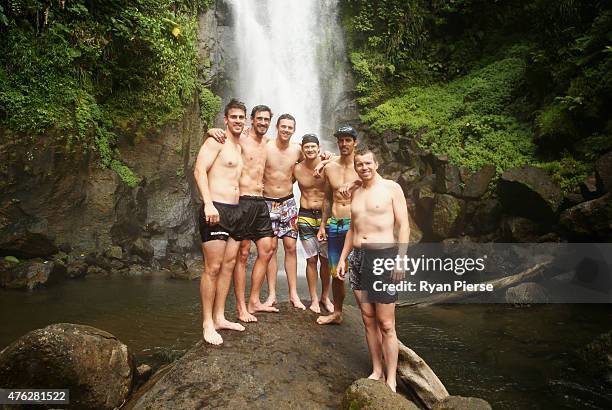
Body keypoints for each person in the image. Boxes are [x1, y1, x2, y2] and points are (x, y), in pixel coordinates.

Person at [336, 146, 410, 392]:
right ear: (355, 166)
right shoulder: (355, 190)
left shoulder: (391, 188)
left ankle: (391, 379)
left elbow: (405, 226)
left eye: (368, 164)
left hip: (384, 257)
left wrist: (400, 259)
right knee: (368, 319)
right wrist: (342, 259)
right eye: (360, 165)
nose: (364, 168)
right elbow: (352, 229)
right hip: (358, 258)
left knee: (386, 323)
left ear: (376, 164)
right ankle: (377, 370)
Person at [206, 105, 277, 323]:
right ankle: (240, 308)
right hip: (242, 201)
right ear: (251, 121)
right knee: (243, 254)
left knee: (267, 249)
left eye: (266, 120)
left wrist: (325, 157)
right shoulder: (240, 139)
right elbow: (221, 139)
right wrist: (210, 130)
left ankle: (254, 301)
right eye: (259, 119)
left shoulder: (269, 143)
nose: (263, 123)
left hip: (260, 200)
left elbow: (296, 148)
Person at [193, 98, 248, 345]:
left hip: (236, 210)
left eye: (241, 117)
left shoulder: (239, 145)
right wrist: (207, 203)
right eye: (233, 117)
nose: (237, 121)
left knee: (228, 266)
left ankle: (219, 317)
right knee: (212, 268)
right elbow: (199, 170)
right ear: (225, 120)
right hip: (215, 208)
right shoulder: (216, 141)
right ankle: (207, 322)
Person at [316, 125, 361, 325]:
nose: (344, 144)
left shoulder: (362, 166)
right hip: (335, 223)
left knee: (362, 270)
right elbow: (327, 198)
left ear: (355, 142)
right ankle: (337, 312)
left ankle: (372, 313)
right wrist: (323, 225)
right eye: (341, 140)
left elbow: (374, 182)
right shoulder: (330, 167)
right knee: (337, 272)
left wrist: (353, 184)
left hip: (356, 224)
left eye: (347, 140)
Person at [262, 114, 306, 310]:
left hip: (288, 202)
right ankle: (271, 294)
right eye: (283, 126)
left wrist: (327, 158)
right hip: (267, 202)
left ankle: (293, 294)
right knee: (270, 249)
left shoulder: (298, 150)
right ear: (277, 127)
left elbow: (311, 162)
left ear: (294, 130)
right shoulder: (266, 145)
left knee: (290, 247)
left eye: (290, 127)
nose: (286, 130)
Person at [293, 134, 334, 314]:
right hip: (305, 215)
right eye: (306, 147)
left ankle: (325, 296)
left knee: (326, 260)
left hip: (327, 216)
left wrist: (327, 160)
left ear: (319, 148)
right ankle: (314, 299)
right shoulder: (297, 169)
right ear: (302, 148)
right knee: (311, 260)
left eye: (313, 147)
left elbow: (349, 162)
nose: (310, 150)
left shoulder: (329, 165)